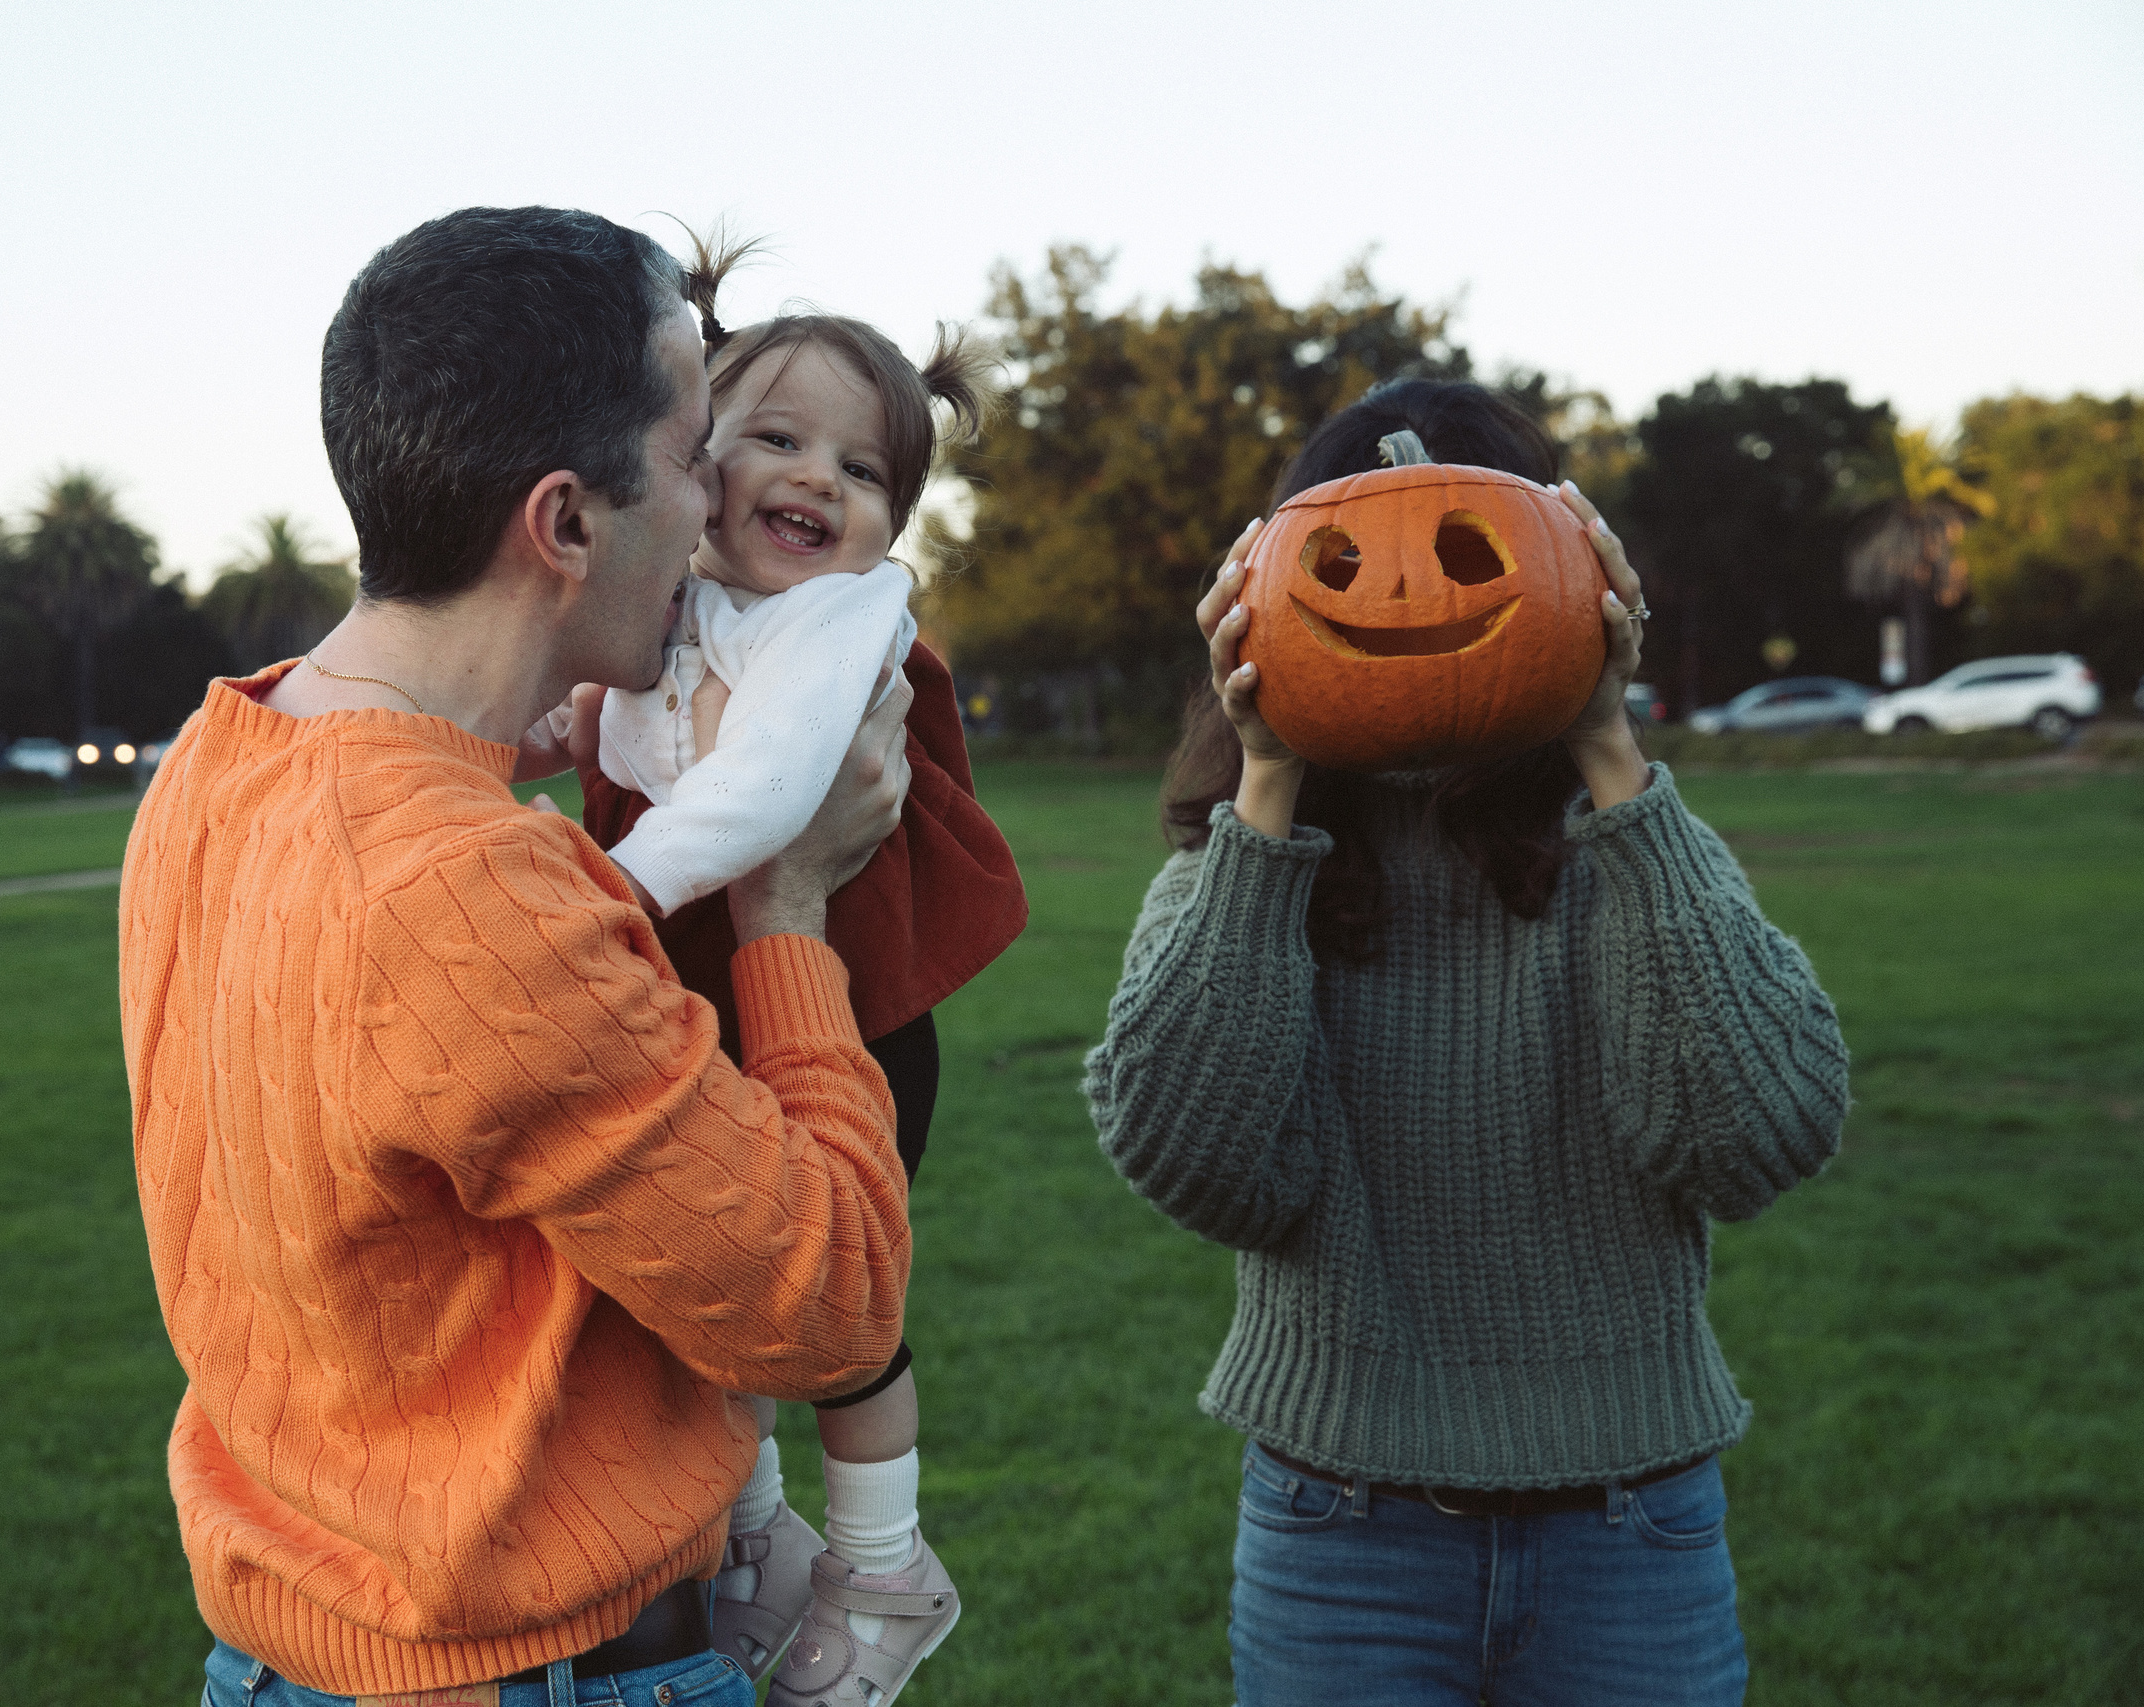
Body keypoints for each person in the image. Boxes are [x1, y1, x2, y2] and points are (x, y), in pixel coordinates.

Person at [118, 205, 921, 1707]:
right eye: (697, 454)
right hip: (537, 1675)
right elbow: (828, 1303)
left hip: (299, 1650)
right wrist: (788, 908)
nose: (720, 506)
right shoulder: (481, 896)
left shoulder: (219, 759)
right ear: (566, 524)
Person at [1082, 379, 1849, 1705]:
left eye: (1470, 552)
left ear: (1582, 575)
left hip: (1632, 1535)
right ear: (1266, 587)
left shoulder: (1640, 858)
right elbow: (1201, 1167)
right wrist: (1264, 787)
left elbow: (1757, 1136)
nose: (1406, 596)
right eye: (1347, 562)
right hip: (1342, 1539)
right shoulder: (1243, 874)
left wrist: (1608, 745)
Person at [572, 245, 1029, 1707]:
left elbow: (765, 796)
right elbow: (583, 717)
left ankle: (885, 1564)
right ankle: (758, 1534)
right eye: (773, 436)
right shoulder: (686, 605)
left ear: (897, 517)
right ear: (692, 460)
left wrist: (613, 892)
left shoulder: (841, 622)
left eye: (863, 465)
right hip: (718, 1000)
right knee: (710, 1284)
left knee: (834, 1301)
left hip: (856, 1009)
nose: (817, 478)